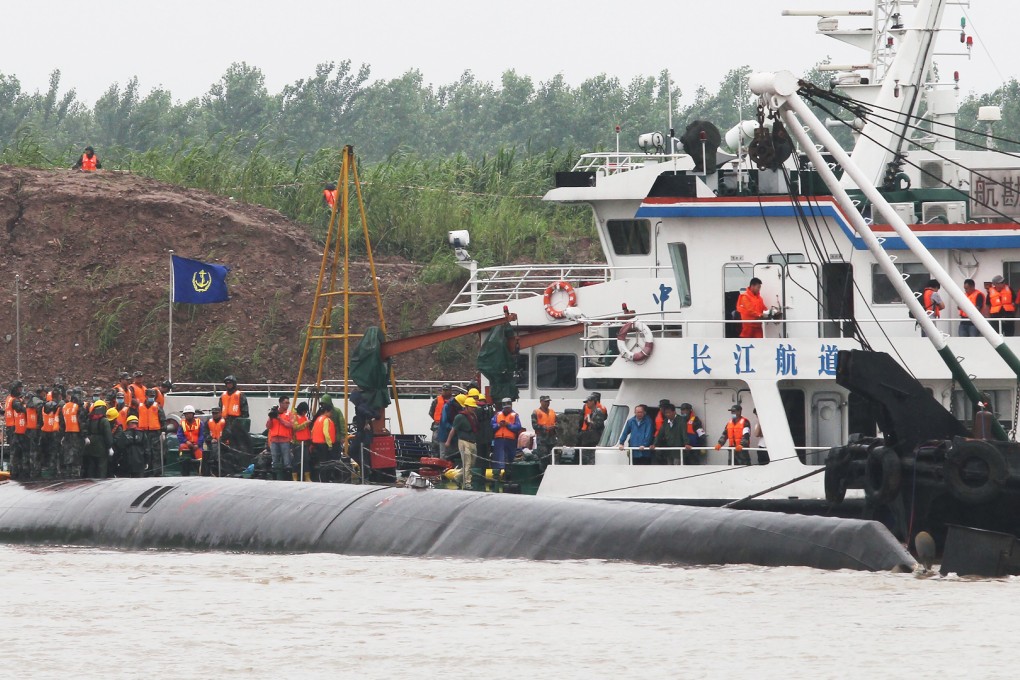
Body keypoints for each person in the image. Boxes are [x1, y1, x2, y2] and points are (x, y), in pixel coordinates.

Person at [446, 397, 479, 490]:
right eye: (472, 407)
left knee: (471, 464)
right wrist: (448, 441)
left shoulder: (473, 416)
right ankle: (467, 483)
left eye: (474, 407)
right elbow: (453, 430)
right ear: (466, 407)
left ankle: (458, 477)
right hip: (464, 442)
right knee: (467, 463)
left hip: (472, 442)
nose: (474, 409)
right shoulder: (460, 417)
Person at [220, 375, 253, 454]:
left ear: (234, 384)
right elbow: (220, 409)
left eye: (230, 383)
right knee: (224, 442)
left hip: (236, 422)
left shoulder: (240, 395)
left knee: (237, 443)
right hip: (225, 422)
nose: (229, 385)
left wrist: (239, 423)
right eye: (227, 383)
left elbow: (245, 412)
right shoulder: (223, 396)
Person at [137, 388, 166, 475]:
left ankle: (157, 472)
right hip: (143, 432)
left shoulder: (158, 407)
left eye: (153, 396)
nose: (152, 398)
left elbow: (163, 420)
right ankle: (146, 471)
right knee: (145, 452)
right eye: (150, 396)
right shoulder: (140, 407)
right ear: (146, 396)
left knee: (156, 453)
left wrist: (163, 431)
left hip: (155, 433)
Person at [82, 400, 114, 479]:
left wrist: (86, 438)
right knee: (101, 467)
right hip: (101, 447)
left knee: (91, 467)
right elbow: (108, 435)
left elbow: (84, 430)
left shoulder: (90, 419)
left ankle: (90, 482)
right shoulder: (104, 421)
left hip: (90, 445)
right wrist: (110, 447)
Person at [491, 397, 523, 475]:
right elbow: (492, 426)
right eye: (505, 407)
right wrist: (499, 425)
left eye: (508, 407)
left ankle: (509, 476)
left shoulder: (515, 415)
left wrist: (508, 425)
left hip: (510, 441)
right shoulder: (498, 415)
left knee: (510, 459)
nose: (507, 409)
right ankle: (496, 477)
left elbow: (518, 427)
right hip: (499, 441)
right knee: (497, 459)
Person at [266, 396, 294, 480]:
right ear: (281, 403)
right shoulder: (273, 413)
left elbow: (290, 425)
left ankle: (287, 478)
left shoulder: (289, 414)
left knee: (286, 460)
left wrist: (279, 418)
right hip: (274, 440)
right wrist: (271, 418)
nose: (287, 404)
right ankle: (275, 478)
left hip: (285, 440)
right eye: (286, 403)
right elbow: (268, 426)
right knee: (274, 460)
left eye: (288, 403)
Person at [60, 388, 86, 478]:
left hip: (67, 434)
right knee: (77, 456)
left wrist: (63, 435)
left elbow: (62, 422)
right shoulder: (79, 407)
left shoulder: (65, 406)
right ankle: (75, 476)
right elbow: (81, 422)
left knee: (68, 455)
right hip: (77, 434)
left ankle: (68, 474)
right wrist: (85, 436)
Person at [310, 402, 338, 481]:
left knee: (320, 462)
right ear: (326, 411)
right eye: (330, 412)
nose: (331, 414)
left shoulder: (318, 419)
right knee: (326, 463)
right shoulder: (326, 420)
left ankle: (318, 478)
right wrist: (329, 444)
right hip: (324, 444)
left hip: (316, 443)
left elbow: (312, 431)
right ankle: (324, 479)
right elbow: (326, 432)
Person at [531, 395, 558, 470]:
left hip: (552, 438)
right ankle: (543, 475)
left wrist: (555, 426)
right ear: (541, 402)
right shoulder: (536, 412)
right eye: (546, 401)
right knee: (543, 459)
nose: (547, 403)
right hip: (542, 439)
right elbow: (534, 425)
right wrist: (545, 428)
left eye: (548, 401)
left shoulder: (552, 412)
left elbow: (557, 422)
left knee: (554, 457)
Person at [177, 405, 204, 476]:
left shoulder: (199, 423)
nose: (187, 415)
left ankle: (201, 472)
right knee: (182, 447)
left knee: (200, 458)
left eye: (189, 413)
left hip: (197, 445)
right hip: (187, 444)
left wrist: (198, 444)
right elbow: (179, 435)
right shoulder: (182, 423)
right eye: (186, 414)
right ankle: (183, 469)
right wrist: (186, 441)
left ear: (193, 414)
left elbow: (202, 435)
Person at [202, 405, 227, 477]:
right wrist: (210, 439)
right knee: (211, 451)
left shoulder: (225, 422)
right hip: (211, 444)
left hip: (223, 444)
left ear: (220, 413)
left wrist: (220, 440)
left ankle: (221, 471)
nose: (214, 415)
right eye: (213, 413)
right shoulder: (208, 422)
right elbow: (205, 433)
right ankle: (211, 471)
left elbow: (228, 432)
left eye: (216, 413)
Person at [428, 383, 453, 454]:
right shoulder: (436, 400)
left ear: (451, 390)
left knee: (449, 444)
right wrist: (438, 419)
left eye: (447, 390)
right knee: (435, 444)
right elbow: (431, 412)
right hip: (437, 425)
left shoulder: (454, 401)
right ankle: (435, 458)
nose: (445, 391)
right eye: (443, 390)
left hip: (449, 426)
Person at [292, 402, 313, 481]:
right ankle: (295, 477)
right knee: (297, 460)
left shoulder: (306, 417)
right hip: (297, 442)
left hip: (306, 442)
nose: (305, 413)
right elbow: (295, 428)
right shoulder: (295, 417)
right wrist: (305, 424)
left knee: (306, 459)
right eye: (304, 411)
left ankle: (307, 477)